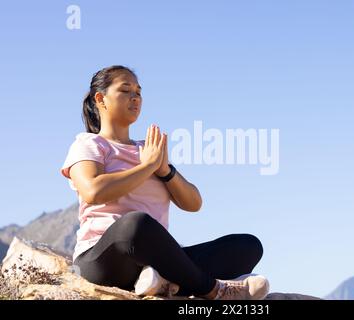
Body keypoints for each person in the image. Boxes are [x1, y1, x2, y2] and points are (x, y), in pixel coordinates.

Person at [60, 65, 270, 300]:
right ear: (101, 99)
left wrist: (164, 170)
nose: (135, 98)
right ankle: (213, 289)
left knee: (247, 246)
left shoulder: (149, 150)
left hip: (157, 260)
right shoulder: (90, 144)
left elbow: (193, 203)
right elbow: (93, 191)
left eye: (138, 92)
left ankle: (160, 281)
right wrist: (146, 167)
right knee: (136, 224)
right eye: (126, 90)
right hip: (104, 259)